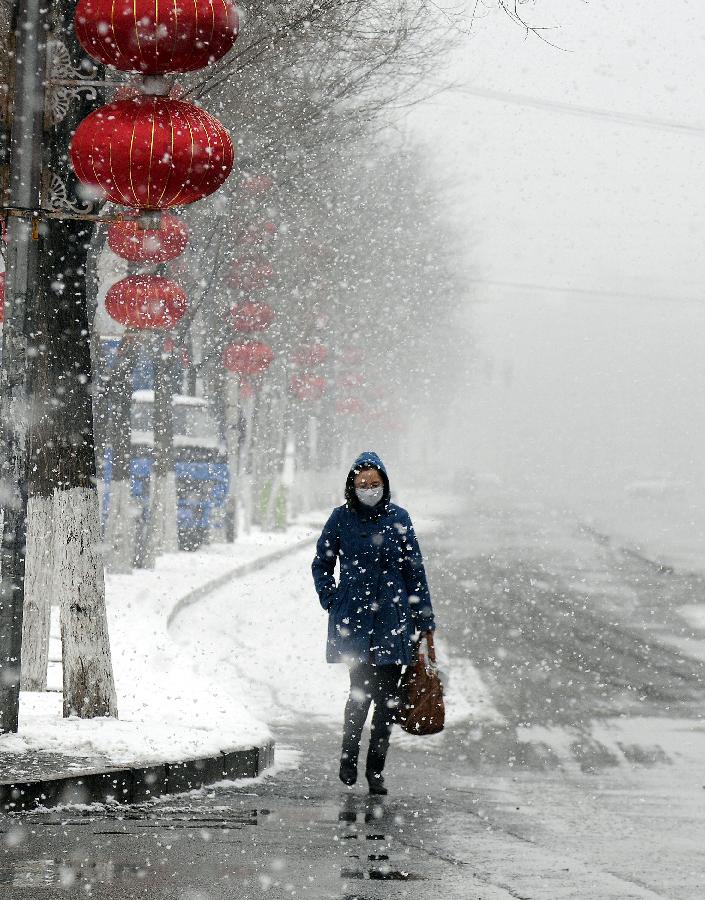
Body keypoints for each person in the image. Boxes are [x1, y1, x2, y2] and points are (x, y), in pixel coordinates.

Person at [311, 451, 436, 795]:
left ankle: (376, 770)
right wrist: (331, 598)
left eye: (375, 484)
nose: (369, 489)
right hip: (354, 620)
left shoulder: (399, 519)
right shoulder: (341, 519)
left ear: (385, 484)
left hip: (393, 620)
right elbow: (321, 563)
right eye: (363, 484)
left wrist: (424, 616)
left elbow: (415, 570)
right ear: (352, 486)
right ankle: (349, 755)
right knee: (360, 693)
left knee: (388, 701)